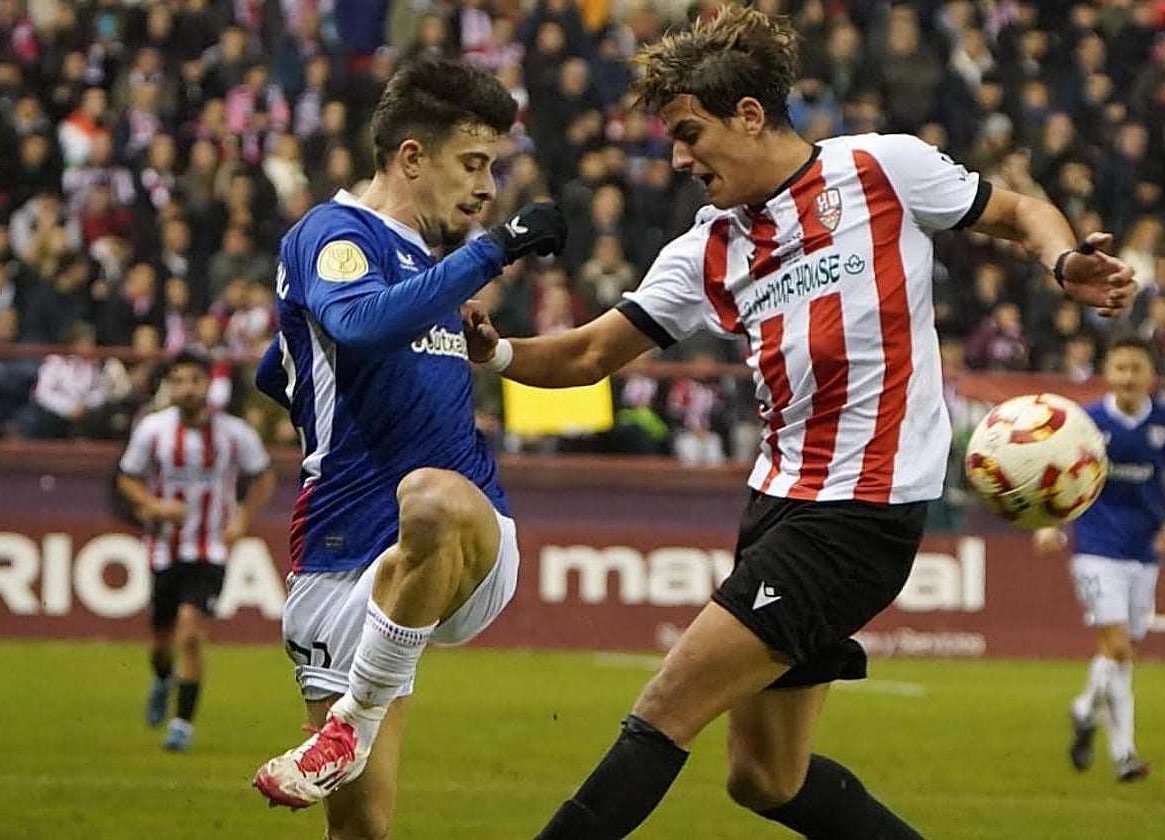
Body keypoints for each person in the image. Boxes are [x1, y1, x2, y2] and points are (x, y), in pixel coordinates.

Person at [462, 8, 1136, 839]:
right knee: (765, 778)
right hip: (775, 507)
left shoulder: (882, 169)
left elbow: (1021, 212)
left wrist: (1064, 260)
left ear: (749, 115)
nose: (678, 158)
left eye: (688, 133)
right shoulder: (706, 251)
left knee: (668, 702)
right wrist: (490, 355)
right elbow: (586, 356)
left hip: (859, 516)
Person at [247, 55, 566, 836]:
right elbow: (347, 330)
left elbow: (289, 363)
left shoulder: (425, 266)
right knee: (361, 830)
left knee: (435, 496)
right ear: (412, 157)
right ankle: (349, 734)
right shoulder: (333, 233)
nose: (489, 188)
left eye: (493, 166)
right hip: (340, 561)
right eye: (474, 163)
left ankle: (347, 727)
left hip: (466, 538)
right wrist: (495, 249)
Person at [116, 349, 276, 752]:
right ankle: (161, 679)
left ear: (208, 385)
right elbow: (127, 478)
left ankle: (182, 725)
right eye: (179, 381)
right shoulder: (152, 429)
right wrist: (152, 506)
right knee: (161, 640)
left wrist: (241, 520)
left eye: (194, 380)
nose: (186, 389)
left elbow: (263, 478)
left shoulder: (233, 433)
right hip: (163, 549)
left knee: (191, 633)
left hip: (210, 549)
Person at [1033, 334, 1159, 783]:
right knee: (1120, 648)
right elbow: (1056, 473)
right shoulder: (1087, 424)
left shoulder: (1162, 423)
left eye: (1136, 369)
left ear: (1150, 376)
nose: (1127, 377)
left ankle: (1084, 708)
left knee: (1121, 651)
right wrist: (1049, 521)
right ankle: (1124, 754)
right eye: (1120, 368)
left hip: (1144, 553)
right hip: (1096, 547)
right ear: (1108, 372)